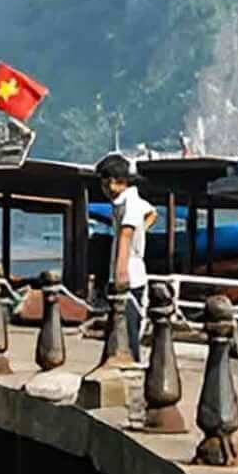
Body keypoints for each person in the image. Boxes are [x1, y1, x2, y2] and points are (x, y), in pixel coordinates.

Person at [95, 153, 153, 357]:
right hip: (127, 272)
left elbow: (125, 239)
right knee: (116, 332)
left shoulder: (130, 204)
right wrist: (143, 230)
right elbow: (152, 213)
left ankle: (132, 368)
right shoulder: (128, 202)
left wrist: (119, 277)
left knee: (127, 333)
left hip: (130, 277)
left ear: (112, 181)